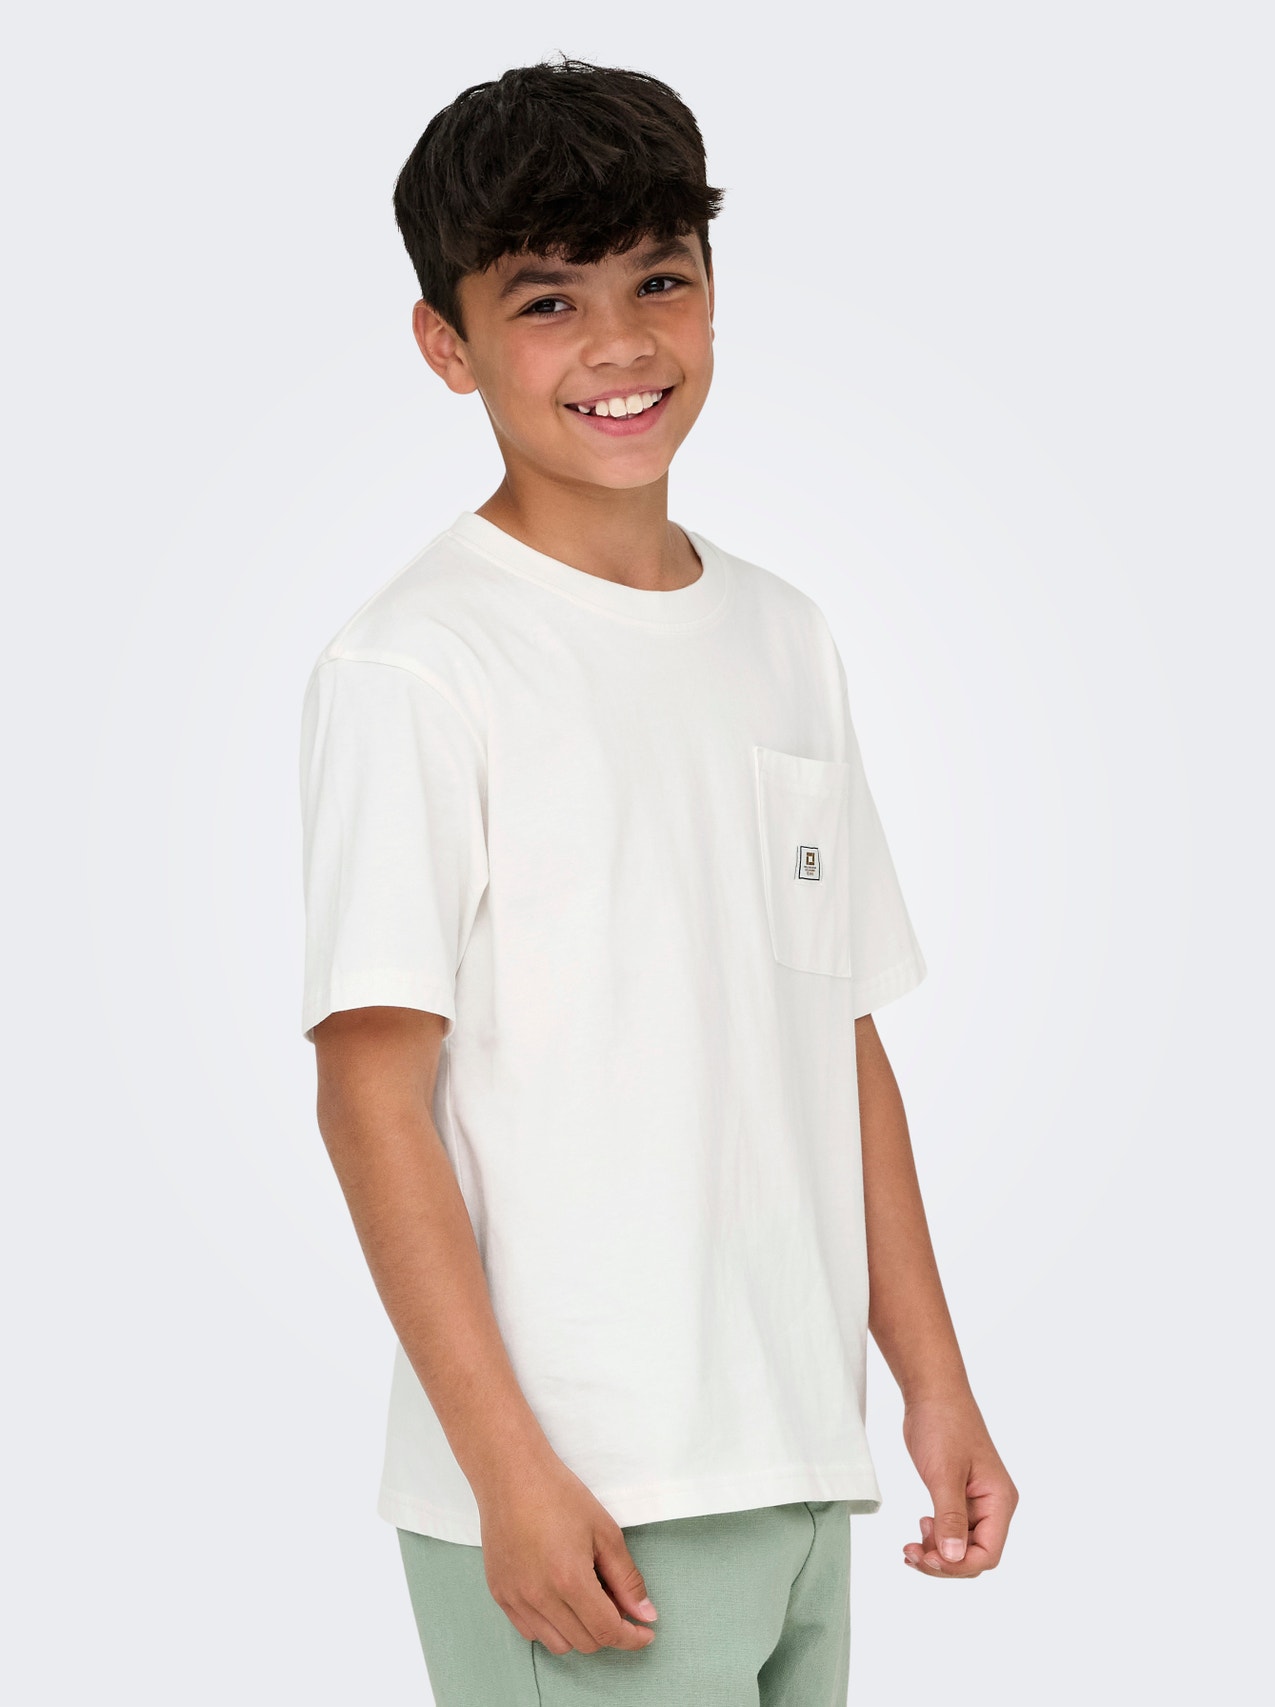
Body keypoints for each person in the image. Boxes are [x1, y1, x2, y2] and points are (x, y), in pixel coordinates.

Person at [298, 56, 1018, 1705]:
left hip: (798, 1460)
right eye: (547, 300)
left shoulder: (784, 636)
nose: (621, 344)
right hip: (581, 1498)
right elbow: (369, 1096)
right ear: (446, 343)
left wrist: (932, 1384)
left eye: (660, 281)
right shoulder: (418, 665)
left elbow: (836, 1039)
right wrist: (507, 1472)